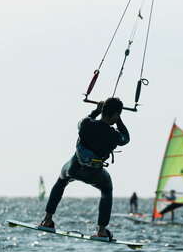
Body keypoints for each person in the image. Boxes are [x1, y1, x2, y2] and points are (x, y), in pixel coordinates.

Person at [40, 98, 130, 240]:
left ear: (103, 111)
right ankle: (101, 230)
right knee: (107, 189)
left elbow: (82, 121)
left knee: (61, 180)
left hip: (74, 168)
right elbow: (126, 138)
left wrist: (96, 111)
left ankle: (47, 220)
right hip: (95, 174)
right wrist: (118, 119)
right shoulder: (114, 136)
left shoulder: (86, 125)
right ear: (115, 115)